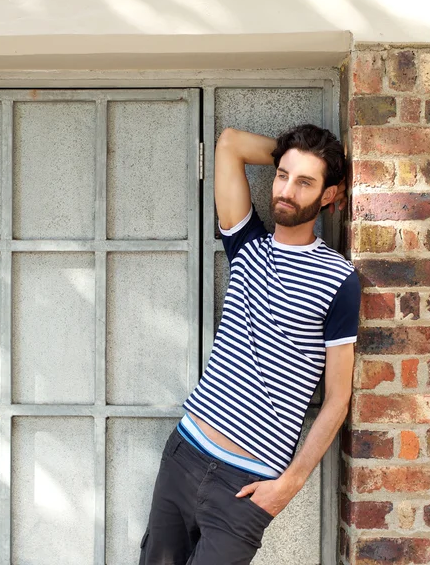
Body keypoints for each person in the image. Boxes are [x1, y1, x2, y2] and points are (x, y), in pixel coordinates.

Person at [139, 124, 361, 565]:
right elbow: (230, 145)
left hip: (246, 486)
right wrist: (295, 155)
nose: (286, 190)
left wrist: (289, 485)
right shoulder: (247, 245)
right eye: (282, 175)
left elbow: (338, 398)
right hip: (184, 456)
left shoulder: (341, 279)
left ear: (329, 195)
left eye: (305, 183)